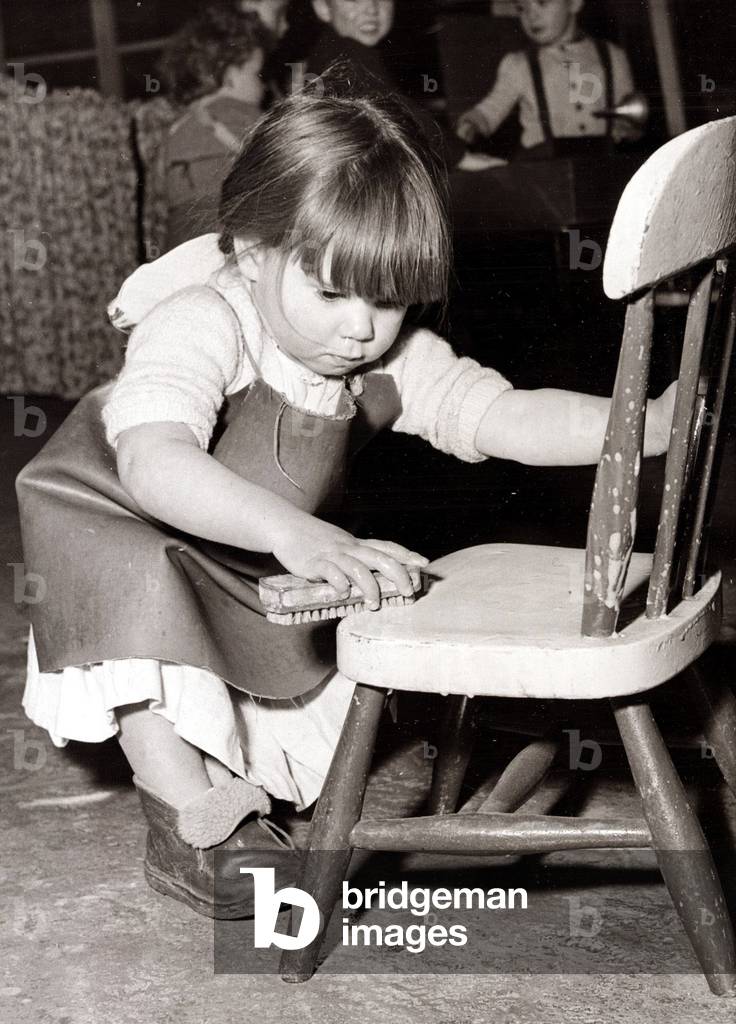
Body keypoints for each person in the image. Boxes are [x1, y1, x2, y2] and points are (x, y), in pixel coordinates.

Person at [16, 79, 675, 920]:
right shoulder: (201, 319)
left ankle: (228, 771)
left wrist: (637, 424)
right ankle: (186, 818)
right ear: (252, 253)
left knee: (302, 723)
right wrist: (295, 532)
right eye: (331, 292)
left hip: (247, 543)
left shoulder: (372, 351)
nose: (362, 328)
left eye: (389, 298)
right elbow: (151, 459)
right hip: (121, 523)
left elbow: (502, 412)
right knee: (142, 638)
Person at [305, 0, 500, 171]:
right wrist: (460, 156)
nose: (371, 8)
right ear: (323, 7)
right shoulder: (352, 54)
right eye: (354, 0)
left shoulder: (324, 50)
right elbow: (401, 111)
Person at [456, 0, 645, 159]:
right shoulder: (518, 64)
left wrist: (628, 129)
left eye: (542, 2)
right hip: (544, 167)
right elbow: (490, 110)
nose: (531, 16)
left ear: (575, 3)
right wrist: (472, 124)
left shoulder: (613, 56)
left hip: (602, 164)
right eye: (522, 8)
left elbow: (631, 116)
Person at [160, 4, 275, 249]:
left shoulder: (177, 126)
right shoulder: (242, 113)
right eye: (258, 74)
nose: (264, 86)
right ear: (229, 76)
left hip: (178, 244)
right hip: (227, 236)